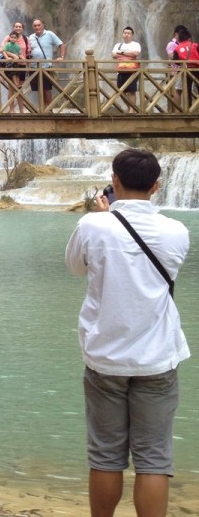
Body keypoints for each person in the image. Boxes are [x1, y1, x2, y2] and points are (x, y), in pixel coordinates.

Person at [65, 148, 190, 517]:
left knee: (105, 454)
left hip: (106, 357)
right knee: (154, 458)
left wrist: (105, 218)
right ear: (157, 186)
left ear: (114, 181)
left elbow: (75, 268)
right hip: (157, 358)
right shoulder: (177, 231)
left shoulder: (92, 224)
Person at [28, 18, 66, 109]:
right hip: (33, 66)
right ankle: (42, 109)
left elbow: (61, 44)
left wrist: (62, 56)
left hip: (46, 66)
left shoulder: (49, 34)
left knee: (46, 88)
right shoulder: (30, 37)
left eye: (39, 25)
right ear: (33, 27)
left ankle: (49, 109)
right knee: (38, 89)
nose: (37, 27)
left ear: (42, 25)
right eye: (35, 26)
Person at [112, 26, 142, 114]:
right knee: (120, 91)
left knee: (131, 91)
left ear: (132, 35)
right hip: (121, 70)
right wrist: (129, 54)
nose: (126, 35)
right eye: (125, 33)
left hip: (132, 71)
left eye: (128, 33)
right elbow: (113, 55)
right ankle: (129, 107)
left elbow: (135, 54)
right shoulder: (118, 45)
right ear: (122, 34)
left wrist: (121, 53)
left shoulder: (135, 44)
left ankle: (132, 110)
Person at [0, 30, 26, 114]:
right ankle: (17, 85)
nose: (13, 39)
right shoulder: (7, 44)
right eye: (11, 37)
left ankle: (19, 110)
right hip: (8, 64)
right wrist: (7, 57)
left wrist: (24, 59)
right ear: (9, 38)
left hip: (16, 64)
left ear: (17, 39)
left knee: (14, 76)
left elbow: (20, 54)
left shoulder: (18, 47)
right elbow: (3, 51)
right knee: (13, 77)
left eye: (15, 38)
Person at [165, 25, 190, 112]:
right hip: (176, 71)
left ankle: (188, 109)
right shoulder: (172, 44)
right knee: (178, 90)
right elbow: (171, 56)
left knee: (186, 90)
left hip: (186, 70)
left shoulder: (182, 44)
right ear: (176, 34)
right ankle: (177, 111)